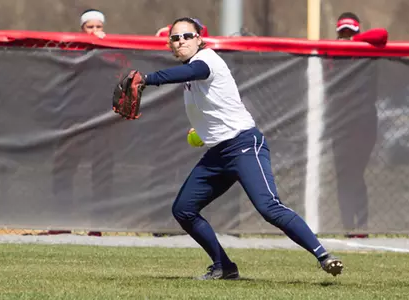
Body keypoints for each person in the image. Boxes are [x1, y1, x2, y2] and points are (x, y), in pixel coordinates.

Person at [124, 17, 343, 280]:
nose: (181, 41)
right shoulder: (190, 73)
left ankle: (324, 256)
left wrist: (148, 79)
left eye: (187, 35)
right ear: (170, 45)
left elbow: (195, 72)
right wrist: (202, 132)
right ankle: (224, 266)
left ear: (199, 39)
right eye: (175, 38)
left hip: (244, 144)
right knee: (183, 209)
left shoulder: (207, 60)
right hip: (219, 152)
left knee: (268, 207)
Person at [47, 9, 113, 237]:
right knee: (63, 171)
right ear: (82, 29)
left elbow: (124, 72)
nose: (95, 31)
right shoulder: (72, 52)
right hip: (73, 121)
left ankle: (98, 227)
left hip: (105, 123)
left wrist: (103, 50)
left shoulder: (114, 52)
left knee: (102, 174)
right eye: (90, 27)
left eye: (98, 27)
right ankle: (60, 224)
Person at [325, 12, 387, 236]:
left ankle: (361, 225)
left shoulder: (366, 53)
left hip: (363, 122)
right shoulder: (332, 56)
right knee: (344, 174)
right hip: (339, 123)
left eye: (351, 33)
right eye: (343, 34)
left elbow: (382, 35)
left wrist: (355, 42)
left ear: (358, 33)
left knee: (355, 173)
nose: (346, 38)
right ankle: (348, 226)